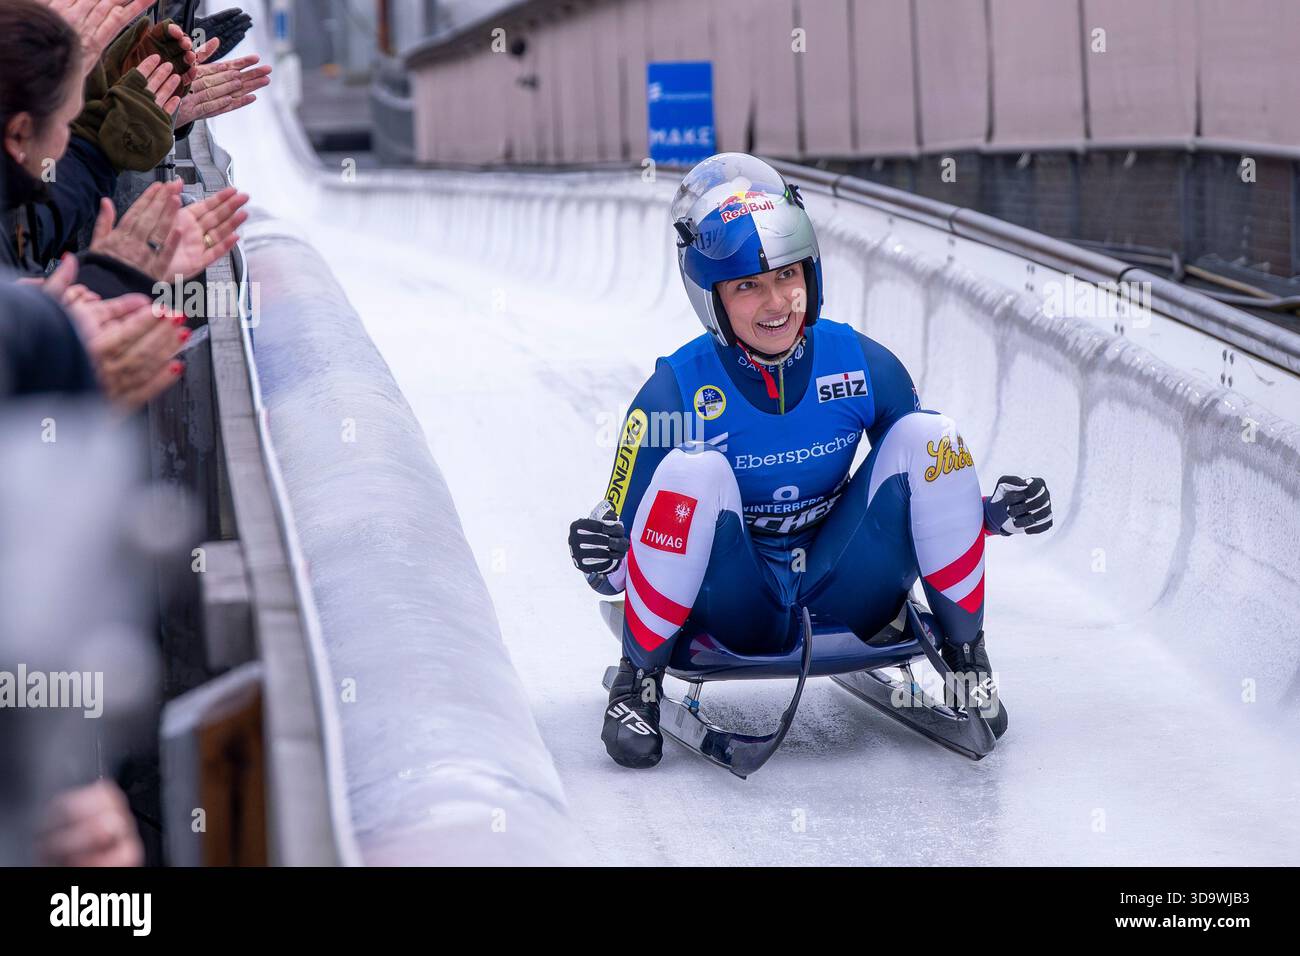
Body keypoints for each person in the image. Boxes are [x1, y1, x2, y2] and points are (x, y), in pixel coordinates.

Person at [568, 153, 1054, 769]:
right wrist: (602, 557)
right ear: (710, 297)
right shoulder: (673, 392)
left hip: (846, 589)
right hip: (737, 605)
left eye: (788, 277)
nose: (777, 304)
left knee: (934, 436)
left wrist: (993, 514)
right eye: (748, 285)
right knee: (697, 471)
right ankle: (636, 684)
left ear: (812, 277)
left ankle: (966, 657)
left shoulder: (863, 366)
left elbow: (927, 495)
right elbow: (619, 552)